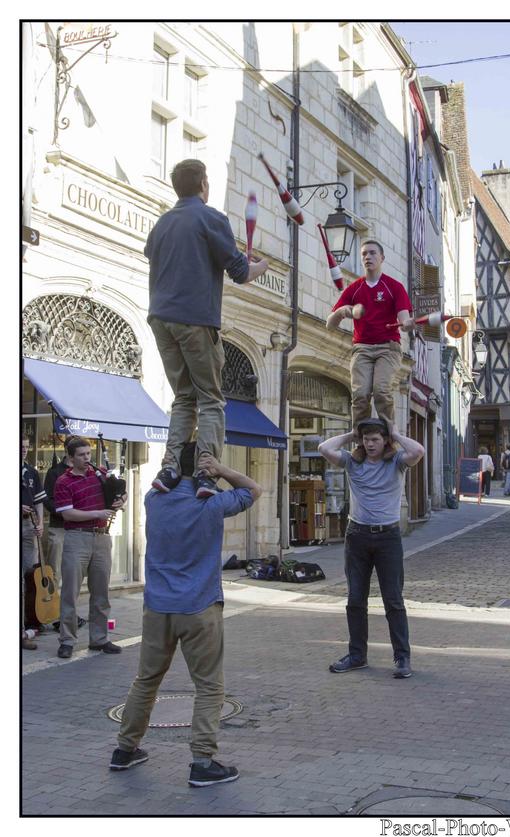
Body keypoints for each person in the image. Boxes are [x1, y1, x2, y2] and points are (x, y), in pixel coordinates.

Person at [109, 442, 262, 787]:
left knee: (146, 680)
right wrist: (222, 471)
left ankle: (125, 749)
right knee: (208, 686)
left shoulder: (154, 499)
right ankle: (202, 762)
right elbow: (254, 489)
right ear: (206, 468)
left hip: (157, 607)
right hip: (199, 605)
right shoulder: (211, 502)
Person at [145, 158, 269, 497]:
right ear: (204, 185)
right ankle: (206, 471)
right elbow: (240, 273)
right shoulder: (211, 217)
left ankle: (169, 468)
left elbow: (153, 253)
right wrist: (260, 265)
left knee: (184, 398)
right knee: (211, 400)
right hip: (196, 318)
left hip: (160, 318)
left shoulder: (163, 223)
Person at [318, 417, 424, 678]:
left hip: (388, 538)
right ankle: (357, 656)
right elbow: (324, 448)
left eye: (375, 439)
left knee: (393, 600)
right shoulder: (352, 462)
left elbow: (418, 452)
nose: (370, 444)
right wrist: (350, 435)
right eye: (366, 439)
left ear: (384, 440)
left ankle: (402, 658)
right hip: (357, 536)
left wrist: (396, 433)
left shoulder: (397, 463)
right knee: (355, 599)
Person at [326, 240, 415, 426]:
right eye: (364, 254)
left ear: (382, 258)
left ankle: (389, 437)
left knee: (381, 390)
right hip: (362, 349)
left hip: (388, 348)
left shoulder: (394, 287)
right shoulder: (355, 288)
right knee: (360, 395)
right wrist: (343, 312)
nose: (368, 257)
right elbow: (329, 324)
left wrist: (407, 324)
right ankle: (361, 439)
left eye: (373, 253)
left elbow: (404, 320)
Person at [53, 436, 126, 659]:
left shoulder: (100, 474)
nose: (87, 459)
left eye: (88, 454)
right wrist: (97, 513)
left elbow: (119, 493)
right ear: (70, 457)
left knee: (101, 593)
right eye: (82, 455)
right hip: (77, 538)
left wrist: (120, 500)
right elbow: (67, 513)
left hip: (102, 538)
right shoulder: (63, 482)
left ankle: (99, 639)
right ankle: (67, 640)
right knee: (70, 593)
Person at [43, 437, 87, 630]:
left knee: (73, 576)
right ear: (69, 453)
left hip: (77, 530)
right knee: (55, 573)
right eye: (81, 453)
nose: (86, 457)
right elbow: (47, 500)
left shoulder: (87, 472)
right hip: (59, 528)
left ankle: (68, 615)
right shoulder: (55, 473)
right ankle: (53, 615)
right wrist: (66, 511)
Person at [21, 434, 46, 650]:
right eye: (20, 446)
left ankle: (27, 624)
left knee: (29, 576)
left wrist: (41, 523)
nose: (24, 450)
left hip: (28, 526)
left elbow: (39, 500)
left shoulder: (31, 471)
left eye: (27, 447)